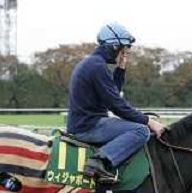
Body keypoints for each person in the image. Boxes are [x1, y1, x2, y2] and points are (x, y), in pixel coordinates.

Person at [67, 22, 166, 183]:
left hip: (86, 122)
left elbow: (111, 96)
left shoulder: (92, 64)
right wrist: (148, 122)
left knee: (137, 125)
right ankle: (98, 161)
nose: (125, 52)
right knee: (141, 131)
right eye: (123, 48)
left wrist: (120, 70)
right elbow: (117, 106)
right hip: (88, 126)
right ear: (114, 46)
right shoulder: (97, 67)